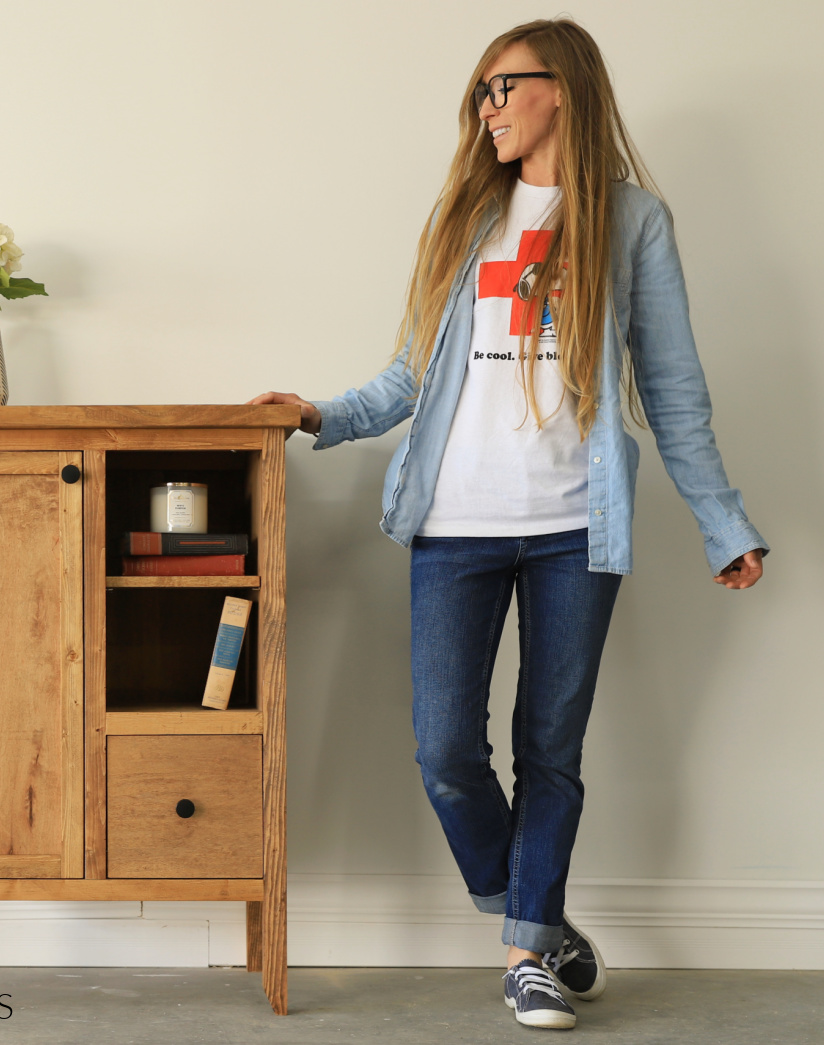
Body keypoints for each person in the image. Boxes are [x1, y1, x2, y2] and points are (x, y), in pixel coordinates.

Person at [249, 17, 768, 1032]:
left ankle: (525, 954)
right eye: (480, 94)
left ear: (562, 88)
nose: (486, 109)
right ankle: (542, 917)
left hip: (580, 528)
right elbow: (408, 377)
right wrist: (321, 413)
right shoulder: (463, 219)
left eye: (504, 88)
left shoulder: (632, 222)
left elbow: (673, 392)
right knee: (444, 748)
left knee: (551, 751)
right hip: (456, 525)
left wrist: (723, 523)